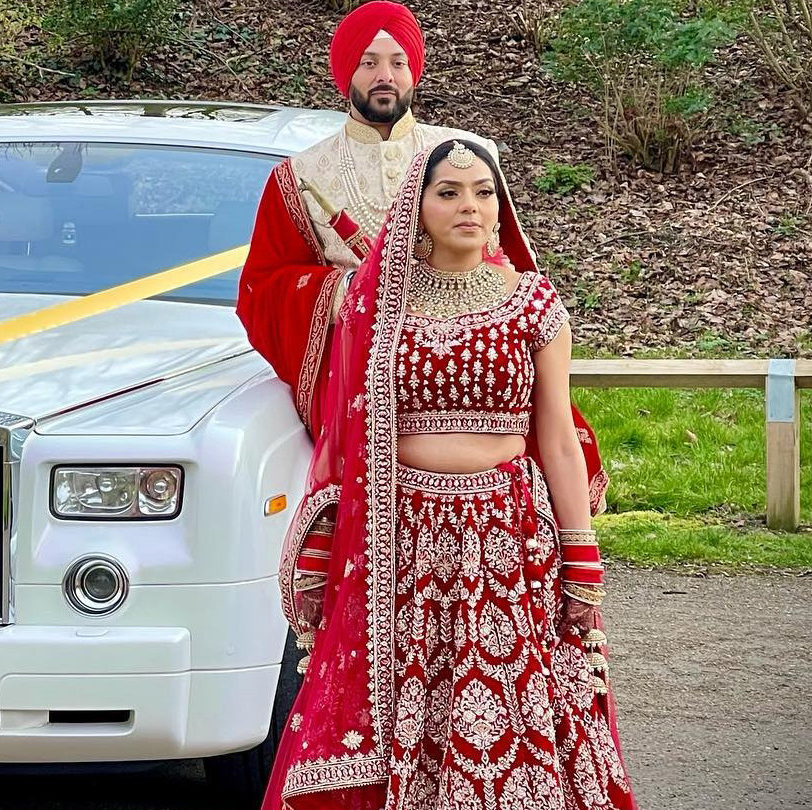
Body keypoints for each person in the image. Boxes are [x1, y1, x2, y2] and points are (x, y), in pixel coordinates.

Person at [253, 139, 636, 809]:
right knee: (412, 712)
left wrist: (583, 561)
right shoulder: (378, 307)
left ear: (500, 207)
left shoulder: (533, 304)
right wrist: (328, 534)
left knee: (513, 717)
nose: (469, 206)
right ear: (417, 208)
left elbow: (557, 438)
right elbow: (347, 424)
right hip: (404, 542)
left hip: (509, 542)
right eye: (450, 192)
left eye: (484, 192)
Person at [237, 0, 496, 432]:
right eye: (368, 63)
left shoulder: (461, 154)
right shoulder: (298, 175)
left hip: (465, 361)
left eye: (398, 63)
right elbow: (261, 290)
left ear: (414, 72)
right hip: (359, 375)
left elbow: (501, 259)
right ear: (346, 75)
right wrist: (347, 290)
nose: (385, 77)